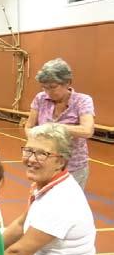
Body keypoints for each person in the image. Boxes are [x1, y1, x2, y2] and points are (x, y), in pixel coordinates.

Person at [0, 123, 97, 255]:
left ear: (60, 161)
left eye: (41, 153)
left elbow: (17, 254)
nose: (31, 159)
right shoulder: (46, 185)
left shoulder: (61, 200)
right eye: (29, 150)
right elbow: (19, 224)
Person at [24, 58, 95, 189]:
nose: (48, 92)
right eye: (44, 87)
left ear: (67, 82)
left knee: (68, 206)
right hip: (44, 165)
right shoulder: (40, 98)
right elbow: (29, 126)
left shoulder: (82, 100)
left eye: (53, 87)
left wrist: (53, 128)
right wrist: (35, 144)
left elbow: (87, 130)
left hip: (74, 167)